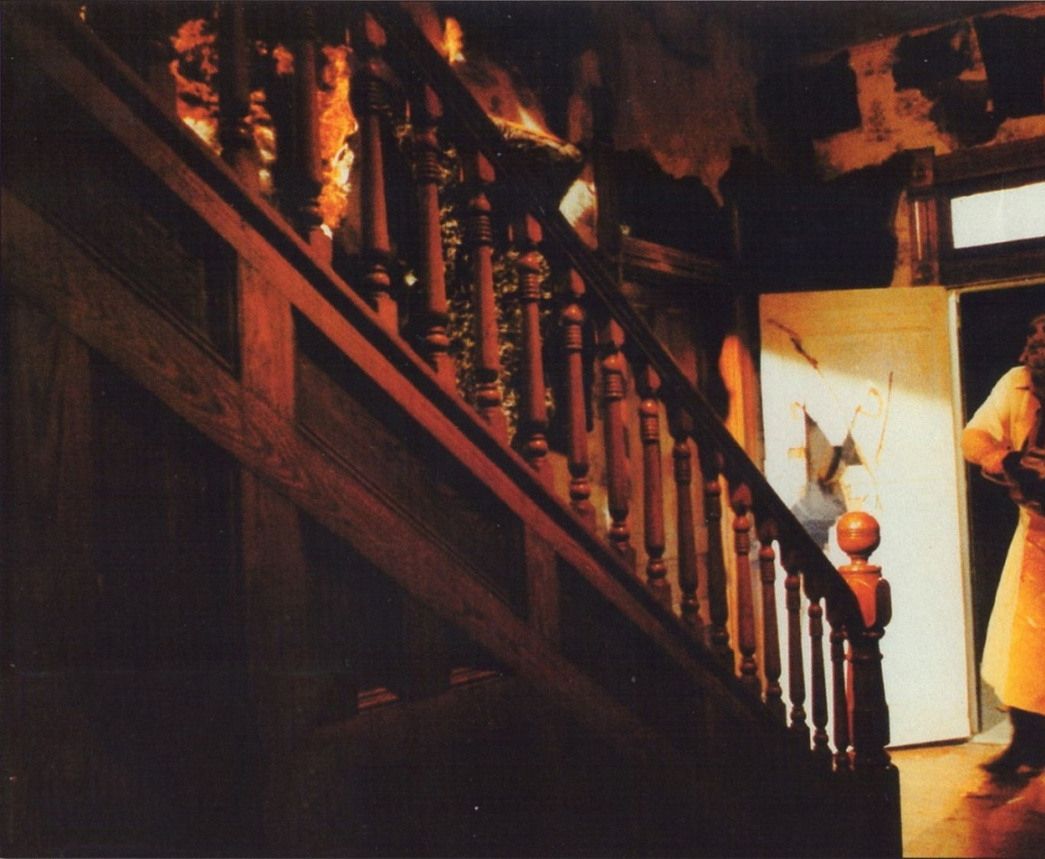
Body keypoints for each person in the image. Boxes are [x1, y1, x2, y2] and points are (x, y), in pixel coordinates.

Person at [961, 312, 1045, 777]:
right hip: (1035, 531)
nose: (1040, 354)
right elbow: (974, 436)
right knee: (1019, 649)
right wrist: (1002, 458)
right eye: (1035, 345)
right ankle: (1027, 744)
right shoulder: (1014, 384)